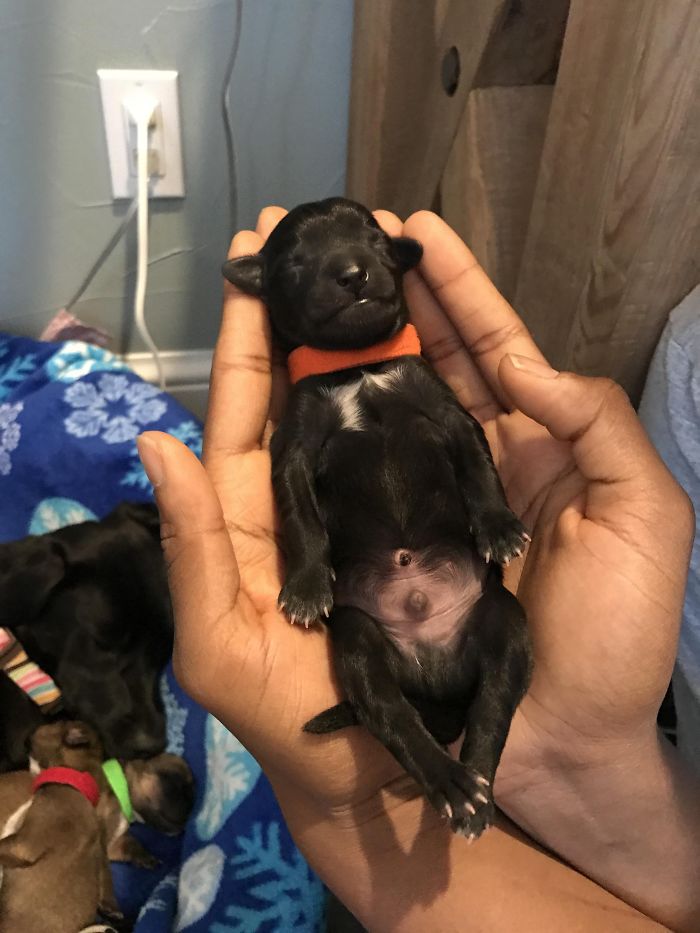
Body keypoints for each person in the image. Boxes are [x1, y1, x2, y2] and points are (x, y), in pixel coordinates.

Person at [136, 208, 700, 932]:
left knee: (508, 629)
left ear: (396, 264)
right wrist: (307, 568)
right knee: (356, 650)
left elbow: (467, 442)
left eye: (369, 249)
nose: (349, 267)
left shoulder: (416, 377)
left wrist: (494, 513)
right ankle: (435, 771)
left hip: (465, 588)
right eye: (307, 266)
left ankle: (480, 769)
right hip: (366, 602)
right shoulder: (308, 402)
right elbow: (293, 485)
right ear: (267, 290)